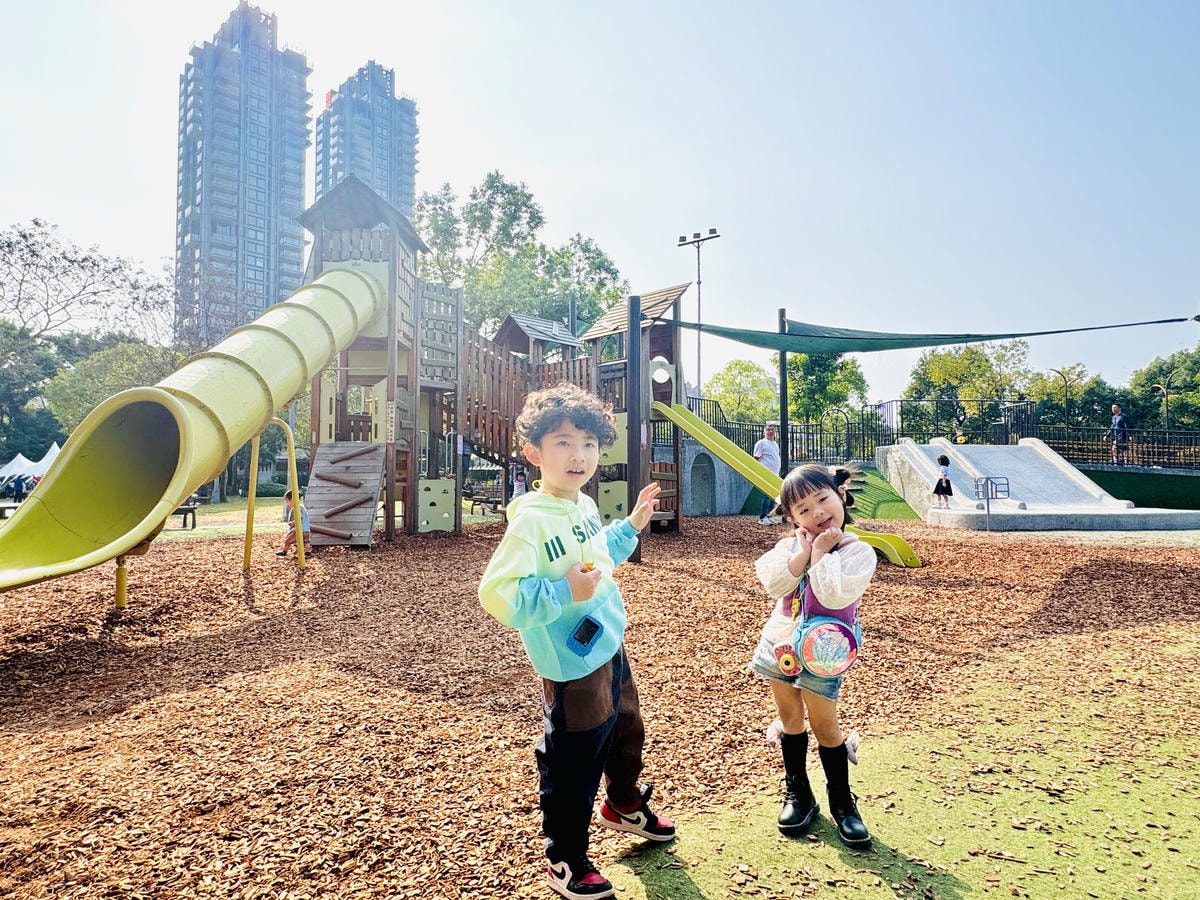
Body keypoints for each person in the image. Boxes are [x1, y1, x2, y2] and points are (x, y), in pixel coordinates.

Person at [478, 382, 673, 900]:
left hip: (609, 641)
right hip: (570, 663)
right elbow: (498, 594)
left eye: (589, 443)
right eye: (563, 442)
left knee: (626, 728)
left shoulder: (583, 504)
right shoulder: (531, 523)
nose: (579, 455)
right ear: (534, 452)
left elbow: (597, 552)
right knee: (576, 755)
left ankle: (623, 804)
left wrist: (629, 526)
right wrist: (563, 590)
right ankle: (566, 858)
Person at [748, 463, 876, 849]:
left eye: (823, 499)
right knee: (789, 718)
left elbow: (836, 594)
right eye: (803, 509)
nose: (817, 513)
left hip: (825, 652)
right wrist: (803, 553)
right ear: (791, 517)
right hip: (780, 643)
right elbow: (776, 585)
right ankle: (798, 795)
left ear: (840, 495)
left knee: (824, 724)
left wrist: (820, 554)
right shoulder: (789, 546)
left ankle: (842, 804)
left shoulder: (858, 551)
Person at [753, 424, 782, 525]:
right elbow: (756, 458)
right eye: (768, 430)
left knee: (772, 495)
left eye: (772, 430)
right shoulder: (761, 443)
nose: (770, 432)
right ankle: (763, 517)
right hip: (766, 472)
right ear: (764, 432)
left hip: (775, 473)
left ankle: (769, 516)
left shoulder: (775, 444)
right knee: (766, 495)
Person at [278, 489, 312, 557]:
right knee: (306, 542)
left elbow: (299, 517)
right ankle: (308, 553)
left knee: (288, 540)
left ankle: (284, 551)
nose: (287, 504)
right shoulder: (302, 507)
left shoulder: (297, 508)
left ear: (293, 500)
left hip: (299, 530)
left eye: (287, 502)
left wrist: (293, 523)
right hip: (306, 530)